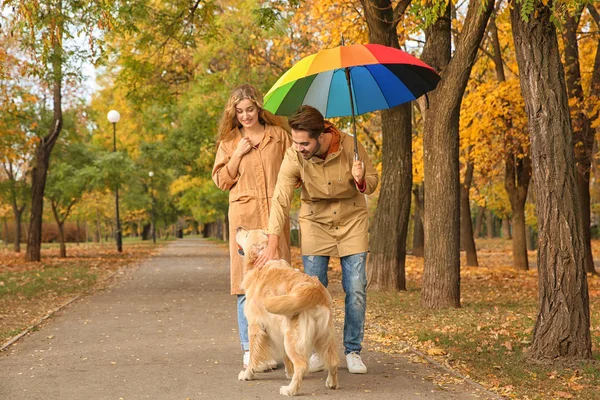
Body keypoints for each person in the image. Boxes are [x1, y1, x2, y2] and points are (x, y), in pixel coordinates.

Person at [255, 105, 379, 374]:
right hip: (315, 221)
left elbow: (372, 181)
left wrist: (360, 180)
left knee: (356, 287)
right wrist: (273, 239)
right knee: (312, 289)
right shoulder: (295, 154)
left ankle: (353, 350)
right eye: (295, 142)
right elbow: (280, 197)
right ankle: (317, 351)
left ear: (321, 135)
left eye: (303, 142)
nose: (298, 147)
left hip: (351, 220)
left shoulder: (351, 145)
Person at [212, 84, 292, 369]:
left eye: (250, 109)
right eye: (240, 111)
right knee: (245, 286)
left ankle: (281, 347)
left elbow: (295, 171)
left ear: (259, 108)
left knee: (277, 281)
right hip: (244, 220)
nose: (246, 115)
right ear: (233, 113)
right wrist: (236, 155)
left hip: (274, 219)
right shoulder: (229, 143)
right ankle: (250, 349)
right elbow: (222, 181)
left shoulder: (280, 136)